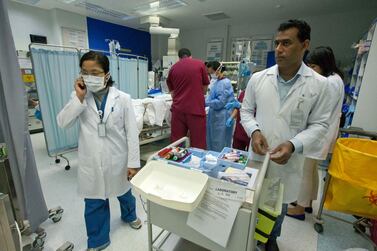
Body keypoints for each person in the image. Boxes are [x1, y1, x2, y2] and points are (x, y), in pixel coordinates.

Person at [240, 20, 332, 251]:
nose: (279, 49)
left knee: (278, 204)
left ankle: (270, 240)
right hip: (258, 155)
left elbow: (320, 124)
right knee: (251, 200)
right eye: (277, 43)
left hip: (288, 158)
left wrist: (293, 145)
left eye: (286, 43)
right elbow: (246, 111)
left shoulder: (320, 85)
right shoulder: (259, 79)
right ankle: (247, 238)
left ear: (305, 44)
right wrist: (255, 131)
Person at [57, 51, 142, 251]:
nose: (89, 76)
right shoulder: (79, 97)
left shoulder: (123, 99)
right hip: (91, 160)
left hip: (118, 157)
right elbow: (63, 123)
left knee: (123, 191)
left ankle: (129, 215)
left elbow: (131, 133)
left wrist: (133, 163)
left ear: (106, 74)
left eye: (94, 72)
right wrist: (78, 98)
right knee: (94, 200)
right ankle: (98, 239)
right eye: (84, 72)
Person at [287, 46, 345, 220]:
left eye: (314, 67)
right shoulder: (336, 79)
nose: (311, 71)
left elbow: (318, 109)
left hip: (319, 133)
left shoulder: (328, 83)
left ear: (324, 64)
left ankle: (299, 208)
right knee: (312, 169)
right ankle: (308, 203)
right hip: (325, 132)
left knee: (305, 170)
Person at [167, 48, 209, 149]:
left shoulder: (173, 68)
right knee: (198, 143)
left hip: (178, 111)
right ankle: (195, 163)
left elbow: (172, 93)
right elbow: (204, 89)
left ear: (179, 57)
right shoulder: (200, 65)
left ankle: (175, 163)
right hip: (195, 110)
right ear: (191, 56)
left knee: (177, 143)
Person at [206, 61, 235, 152]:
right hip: (215, 116)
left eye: (211, 73)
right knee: (212, 141)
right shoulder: (218, 82)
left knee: (220, 143)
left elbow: (220, 102)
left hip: (222, 117)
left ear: (217, 70)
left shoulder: (224, 83)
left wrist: (206, 102)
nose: (211, 75)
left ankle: (220, 161)